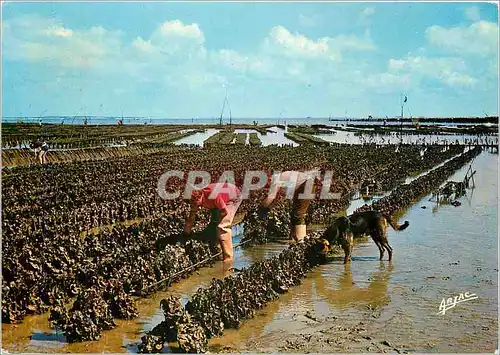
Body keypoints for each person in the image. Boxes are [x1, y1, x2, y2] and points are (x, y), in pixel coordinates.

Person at [257, 168, 320, 243]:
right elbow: (276, 199)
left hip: (307, 183)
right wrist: (269, 208)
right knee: (295, 213)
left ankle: (301, 240)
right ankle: (294, 238)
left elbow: (270, 197)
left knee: (298, 214)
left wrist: (261, 208)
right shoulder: (280, 179)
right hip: (304, 184)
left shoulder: (276, 179)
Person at [184, 182, 242, 262]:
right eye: (191, 203)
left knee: (222, 226)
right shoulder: (195, 200)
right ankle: (217, 245)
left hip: (233, 197)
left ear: (200, 196)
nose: (194, 205)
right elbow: (191, 218)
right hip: (219, 200)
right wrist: (186, 234)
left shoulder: (213, 195)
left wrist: (216, 221)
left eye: (195, 203)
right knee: (214, 226)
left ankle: (228, 259)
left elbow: (224, 212)